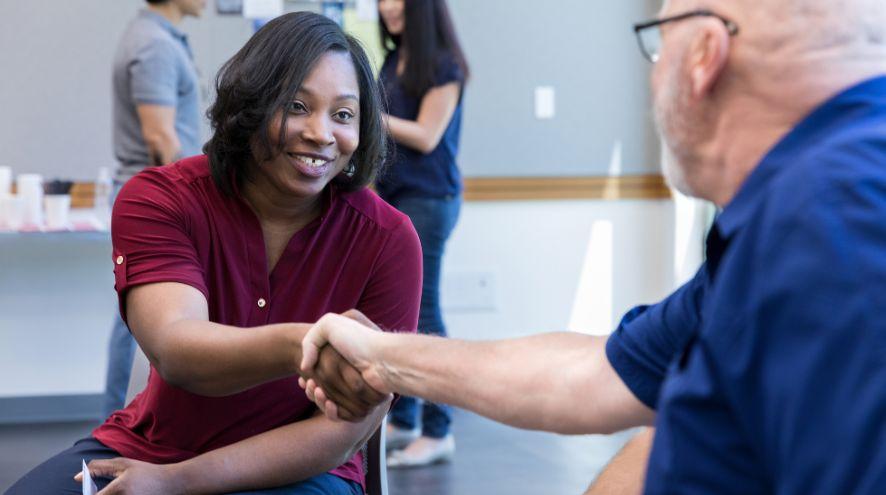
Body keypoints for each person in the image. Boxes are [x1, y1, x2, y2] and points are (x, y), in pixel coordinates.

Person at [300, 0, 886, 492]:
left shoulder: (827, 227)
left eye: (656, 47)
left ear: (704, 56)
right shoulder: (785, 214)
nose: (654, 78)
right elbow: (593, 374)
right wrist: (380, 354)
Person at [7, 12, 420, 494]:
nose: (321, 133)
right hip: (151, 447)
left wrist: (176, 483)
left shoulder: (388, 239)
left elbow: (343, 432)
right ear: (252, 104)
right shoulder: (161, 198)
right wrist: (311, 343)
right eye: (296, 105)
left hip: (300, 471)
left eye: (343, 114)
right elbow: (178, 348)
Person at [373, 0, 469, 467]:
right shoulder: (393, 62)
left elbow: (428, 135)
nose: (387, 5)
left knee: (424, 310)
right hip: (395, 198)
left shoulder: (445, 65)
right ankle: (406, 418)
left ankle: (439, 429)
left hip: (430, 200)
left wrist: (361, 113)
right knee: (398, 310)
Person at [104, 0, 206, 419]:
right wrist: (191, 202)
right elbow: (160, 136)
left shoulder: (162, 38)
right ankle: (117, 426)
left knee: (134, 320)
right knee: (137, 323)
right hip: (157, 201)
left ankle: (122, 421)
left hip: (155, 195)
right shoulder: (154, 45)